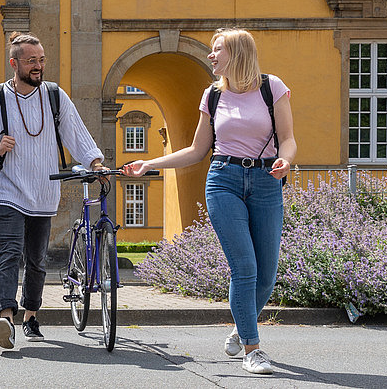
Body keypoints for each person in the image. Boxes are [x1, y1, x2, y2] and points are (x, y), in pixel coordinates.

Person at [124, 28, 296, 375]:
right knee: (244, 268)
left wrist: (286, 161)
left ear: (239, 53)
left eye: (218, 50)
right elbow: (197, 150)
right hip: (224, 181)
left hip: (266, 181)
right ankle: (253, 349)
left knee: (266, 276)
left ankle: (240, 326)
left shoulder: (271, 87)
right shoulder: (213, 95)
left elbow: (288, 138)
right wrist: (149, 164)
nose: (211, 55)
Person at [0, 32, 105, 350]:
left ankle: (30, 315)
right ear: (14, 63)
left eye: (41, 60)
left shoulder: (54, 96)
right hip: (7, 191)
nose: (38, 67)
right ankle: (6, 317)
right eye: (31, 61)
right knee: (9, 253)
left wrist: (95, 161)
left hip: (44, 193)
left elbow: (76, 132)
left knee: (36, 260)